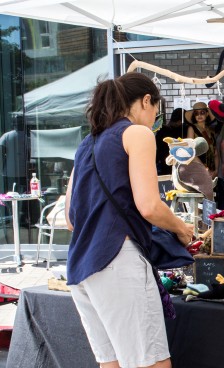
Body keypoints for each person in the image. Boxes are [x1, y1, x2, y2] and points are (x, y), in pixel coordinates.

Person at [64, 72, 194, 368]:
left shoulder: (87, 143)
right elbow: (149, 205)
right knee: (152, 364)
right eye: (156, 114)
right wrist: (181, 228)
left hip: (81, 267)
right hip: (117, 261)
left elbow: (71, 218)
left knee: (113, 364)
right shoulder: (137, 133)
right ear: (146, 101)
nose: (154, 122)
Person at [184, 102, 218, 179]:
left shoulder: (211, 131)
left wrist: (216, 170)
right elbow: (190, 151)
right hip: (197, 169)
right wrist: (204, 169)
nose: (199, 115)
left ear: (207, 114)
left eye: (202, 112)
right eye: (196, 113)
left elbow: (216, 153)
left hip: (211, 170)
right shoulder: (192, 129)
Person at [155, 108, 186, 175]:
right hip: (178, 161)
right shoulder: (182, 130)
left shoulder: (162, 129)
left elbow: (158, 147)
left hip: (165, 161)